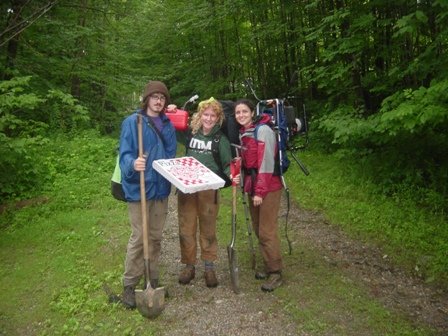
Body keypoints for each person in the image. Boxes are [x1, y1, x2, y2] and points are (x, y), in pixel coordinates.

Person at [119, 81, 177, 308]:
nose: (158, 101)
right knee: (138, 238)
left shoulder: (167, 125)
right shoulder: (133, 123)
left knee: (154, 237)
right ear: (147, 99)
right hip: (139, 188)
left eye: (162, 97)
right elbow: (124, 155)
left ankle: (152, 280)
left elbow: (170, 158)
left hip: (160, 188)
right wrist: (134, 163)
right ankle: (130, 285)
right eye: (154, 97)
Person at [175, 97, 232, 288]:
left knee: (208, 228)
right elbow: (171, 126)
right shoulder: (191, 134)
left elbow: (227, 165)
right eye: (205, 114)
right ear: (200, 116)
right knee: (186, 227)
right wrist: (172, 111)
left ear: (218, 118)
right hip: (187, 188)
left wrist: (233, 176)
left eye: (212, 116)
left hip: (209, 190)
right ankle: (189, 266)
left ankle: (209, 267)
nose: (208, 119)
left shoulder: (220, 139)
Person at [232, 98, 283, 292]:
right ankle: (268, 264)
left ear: (252, 112)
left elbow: (266, 163)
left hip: (268, 187)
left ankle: (276, 272)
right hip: (253, 186)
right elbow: (248, 162)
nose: (241, 115)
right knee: (257, 227)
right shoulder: (245, 132)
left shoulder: (263, 131)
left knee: (266, 231)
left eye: (244, 111)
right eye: (238, 113)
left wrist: (260, 192)